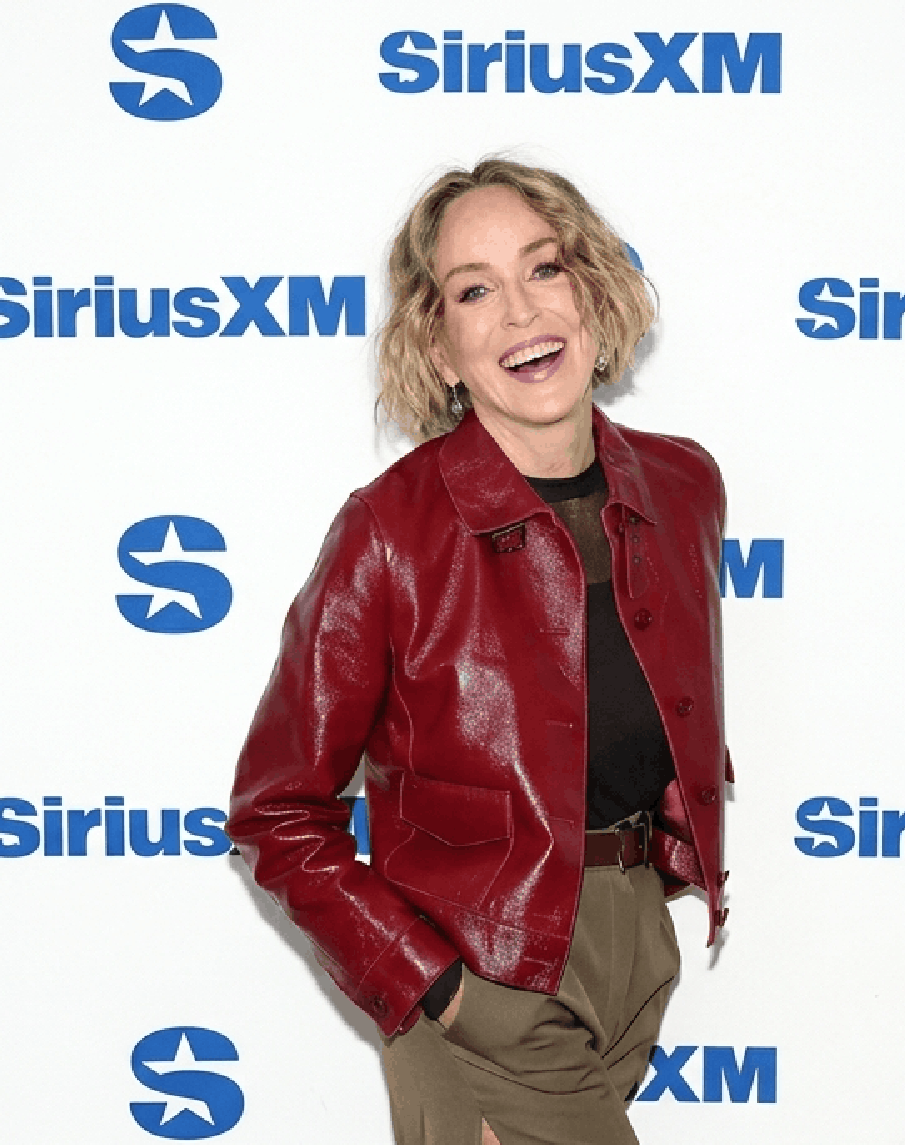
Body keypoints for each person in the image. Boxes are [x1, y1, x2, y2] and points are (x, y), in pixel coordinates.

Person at [229, 158, 731, 1145]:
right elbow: (275, 808)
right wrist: (439, 988)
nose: (519, 311)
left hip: (633, 953)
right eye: (473, 290)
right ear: (440, 347)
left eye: (543, 268)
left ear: (591, 289)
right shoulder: (390, 531)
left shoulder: (682, 488)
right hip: (480, 973)